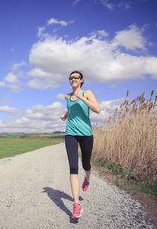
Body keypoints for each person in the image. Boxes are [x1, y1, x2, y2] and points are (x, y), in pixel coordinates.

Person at [60, 70, 100, 219]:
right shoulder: (68, 97)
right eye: (71, 77)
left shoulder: (87, 93)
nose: (73, 79)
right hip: (70, 133)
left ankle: (88, 177)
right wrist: (65, 115)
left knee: (86, 164)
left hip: (86, 134)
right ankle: (76, 205)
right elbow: (71, 108)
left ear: (82, 80)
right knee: (73, 167)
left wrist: (82, 98)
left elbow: (97, 109)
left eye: (76, 77)